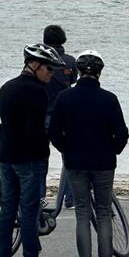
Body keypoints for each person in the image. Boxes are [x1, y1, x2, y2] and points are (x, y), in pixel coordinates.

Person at [0, 43, 64, 257]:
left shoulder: (8, 87)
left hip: (8, 158)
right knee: (29, 211)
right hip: (30, 160)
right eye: (49, 68)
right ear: (34, 65)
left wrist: (3, 136)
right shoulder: (38, 91)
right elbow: (35, 129)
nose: (51, 73)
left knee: (7, 209)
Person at [48, 50, 129, 257]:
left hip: (76, 162)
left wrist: (66, 148)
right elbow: (122, 134)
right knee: (103, 212)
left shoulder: (64, 97)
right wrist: (113, 149)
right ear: (100, 72)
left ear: (78, 71)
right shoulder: (109, 99)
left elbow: (53, 132)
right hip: (104, 162)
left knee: (82, 213)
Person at [42, 24, 79, 208]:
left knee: (40, 158)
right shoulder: (70, 62)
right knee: (69, 157)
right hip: (63, 116)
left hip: (41, 115)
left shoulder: (38, 62)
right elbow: (72, 81)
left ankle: (40, 198)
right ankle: (70, 198)